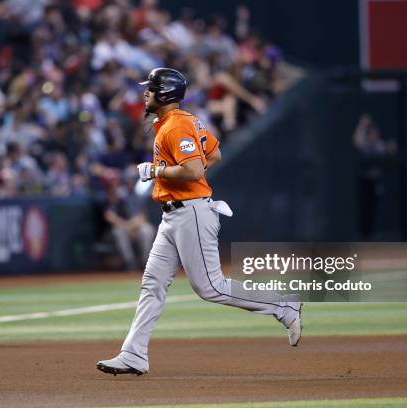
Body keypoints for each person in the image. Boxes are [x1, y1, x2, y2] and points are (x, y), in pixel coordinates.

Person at [96, 68, 302, 376]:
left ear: (164, 95)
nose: (145, 93)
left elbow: (193, 170)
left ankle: (283, 306)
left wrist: (156, 172)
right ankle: (133, 355)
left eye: (150, 89)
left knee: (210, 287)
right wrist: (174, 174)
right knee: (152, 284)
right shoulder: (179, 122)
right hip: (174, 214)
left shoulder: (175, 127)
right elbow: (214, 153)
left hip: (190, 211)